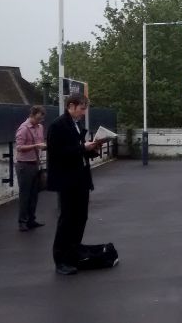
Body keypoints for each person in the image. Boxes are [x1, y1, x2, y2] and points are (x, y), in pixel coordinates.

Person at [47, 94, 102, 275]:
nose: (84, 112)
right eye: (82, 108)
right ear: (71, 106)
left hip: (81, 178)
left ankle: (73, 254)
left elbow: (78, 151)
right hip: (67, 180)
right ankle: (60, 260)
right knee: (67, 220)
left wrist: (92, 149)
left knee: (80, 218)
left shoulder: (76, 125)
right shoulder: (58, 125)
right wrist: (82, 148)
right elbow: (57, 153)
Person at [15, 105, 47, 231]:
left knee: (34, 194)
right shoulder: (23, 128)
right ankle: (22, 222)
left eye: (42, 119)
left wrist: (43, 146)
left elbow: (40, 143)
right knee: (25, 195)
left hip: (35, 163)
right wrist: (36, 145)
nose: (40, 121)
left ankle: (31, 220)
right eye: (38, 118)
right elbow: (19, 147)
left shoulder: (40, 127)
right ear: (32, 115)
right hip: (24, 165)